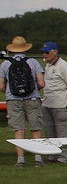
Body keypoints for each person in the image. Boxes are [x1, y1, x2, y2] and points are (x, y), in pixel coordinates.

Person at [2, 36, 45, 167]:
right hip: (32, 98)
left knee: (18, 130)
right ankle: (38, 158)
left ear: (13, 49)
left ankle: (20, 160)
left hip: (13, 100)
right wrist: (33, 90)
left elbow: (0, 86)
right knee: (35, 128)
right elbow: (41, 83)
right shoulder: (33, 62)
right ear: (25, 48)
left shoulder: (5, 63)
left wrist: (10, 93)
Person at [40, 41, 67, 164]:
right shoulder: (48, 65)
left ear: (54, 52)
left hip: (60, 104)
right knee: (49, 131)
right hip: (47, 103)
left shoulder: (63, 65)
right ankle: (52, 155)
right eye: (43, 52)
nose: (44, 55)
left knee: (61, 131)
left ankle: (64, 157)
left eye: (47, 52)